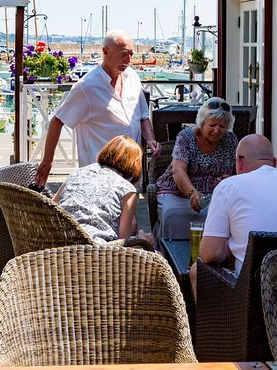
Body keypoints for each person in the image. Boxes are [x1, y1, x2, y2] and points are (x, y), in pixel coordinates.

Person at [194, 135, 277, 288]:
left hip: (257, 294)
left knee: (196, 271)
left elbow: (210, 254)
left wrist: (231, 244)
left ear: (239, 162)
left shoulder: (229, 186)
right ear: (274, 163)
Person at [34, 30, 160, 188]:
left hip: (131, 174)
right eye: (123, 54)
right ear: (105, 52)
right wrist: (47, 161)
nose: (128, 60)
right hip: (98, 178)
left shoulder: (132, 78)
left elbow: (142, 116)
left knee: (130, 212)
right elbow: (57, 121)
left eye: (131, 54)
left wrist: (150, 139)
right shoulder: (86, 87)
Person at [153, 97, 238, 238]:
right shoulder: (186, 137)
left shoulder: (230, 140)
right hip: (178, 192)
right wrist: (192, 193)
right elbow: (178, 170)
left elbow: (239, 169)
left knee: (223, 218)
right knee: (173, 213)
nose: (217, 130)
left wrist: (231, 179)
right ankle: (170, 253)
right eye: (212, 125)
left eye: (222, 126)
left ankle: (210, 256)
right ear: (202, 123)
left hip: (213, 195)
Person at [55, 135, 153, 246]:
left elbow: (51, 205)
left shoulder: (77, 173)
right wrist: (141, 240)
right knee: (158, 255)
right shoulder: (127, 190)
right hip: (98, 252)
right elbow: (124, 242)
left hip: (59, 245)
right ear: (134, 164)